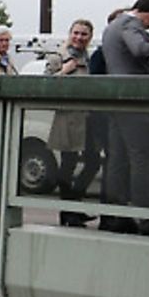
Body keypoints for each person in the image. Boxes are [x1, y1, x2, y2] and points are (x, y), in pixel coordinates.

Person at [98, 0, 149, 237]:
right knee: (141, 158)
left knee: (117, 159)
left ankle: (116, 215)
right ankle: (147, 218)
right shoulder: (130, 25)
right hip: (134, 100)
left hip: (116, 99)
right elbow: (139, 48)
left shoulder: (113, 25)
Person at [44, 19, 100, 226]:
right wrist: (64, 71)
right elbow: (44, 86)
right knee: (68, 163)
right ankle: (67, 212)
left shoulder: (91, 58)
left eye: (84, 34)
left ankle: (74, 203)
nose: (79, 38)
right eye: (76, 33)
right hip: (67, 117)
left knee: (93, 162)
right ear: (69, 33)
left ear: (90, 38)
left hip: (89, 117)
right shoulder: (57, 57)